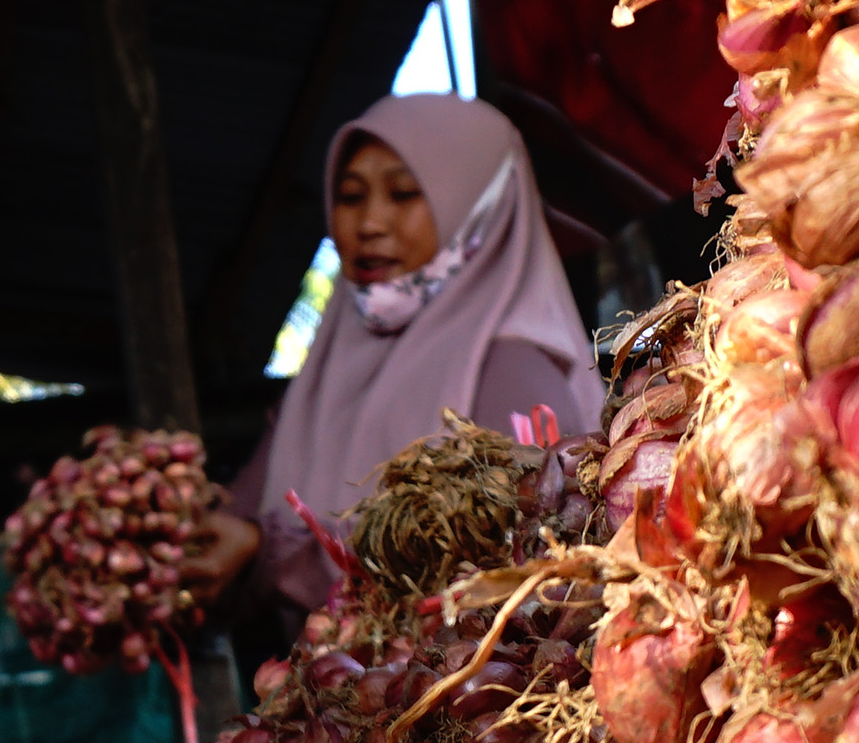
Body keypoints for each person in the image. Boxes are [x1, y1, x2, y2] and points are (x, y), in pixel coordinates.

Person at [199, 91, 602, 611]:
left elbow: (512, 574)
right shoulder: (322, 376)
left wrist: (275, 554)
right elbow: (245, 514)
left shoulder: (512, 370)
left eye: (404, 194)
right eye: (350, 197)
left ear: (478, 207)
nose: (369, 223)